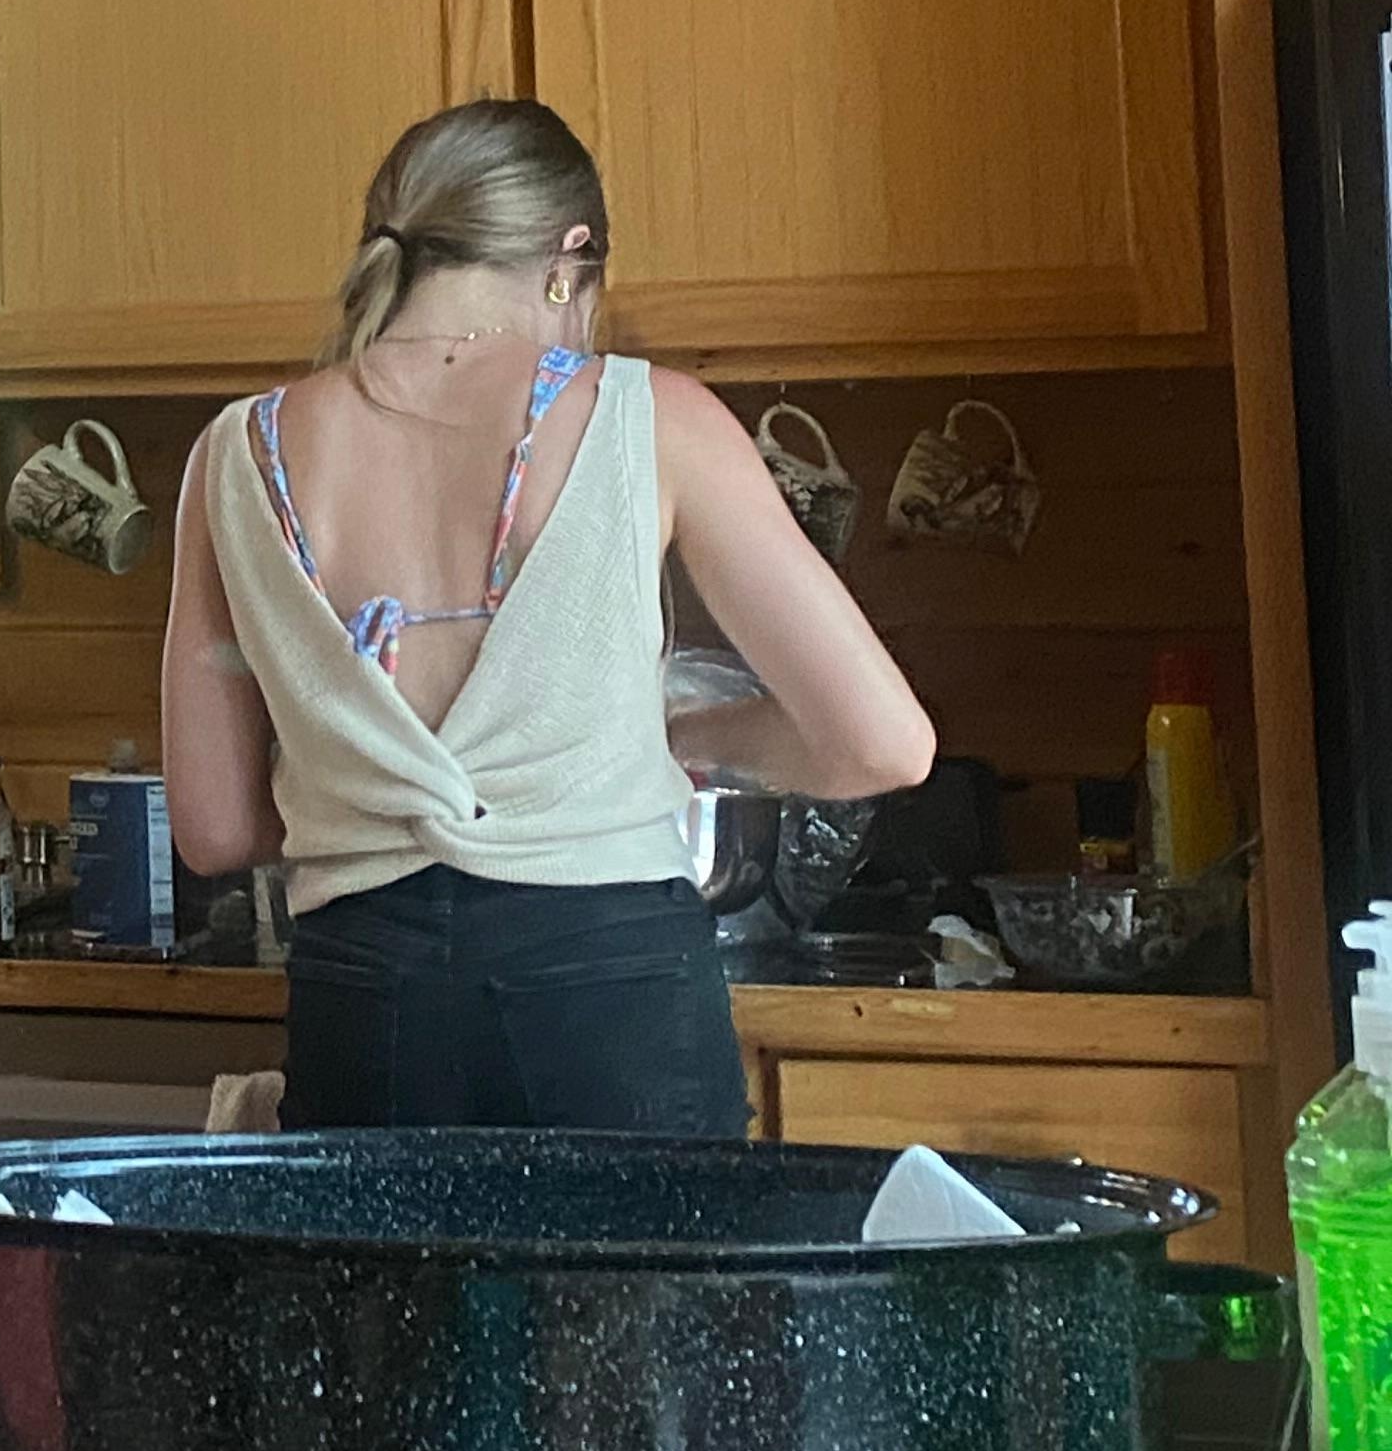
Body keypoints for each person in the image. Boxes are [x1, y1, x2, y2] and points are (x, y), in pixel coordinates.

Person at [160, 98, 935, 1133]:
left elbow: (215, 829)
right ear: (569, 258)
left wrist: (366, 795)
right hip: (614, 1014)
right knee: (644, 1302)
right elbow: (882, 744)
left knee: (394, 1305)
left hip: (365, 1012)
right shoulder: (650, 416)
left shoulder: (233, 453)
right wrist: (682, 735)